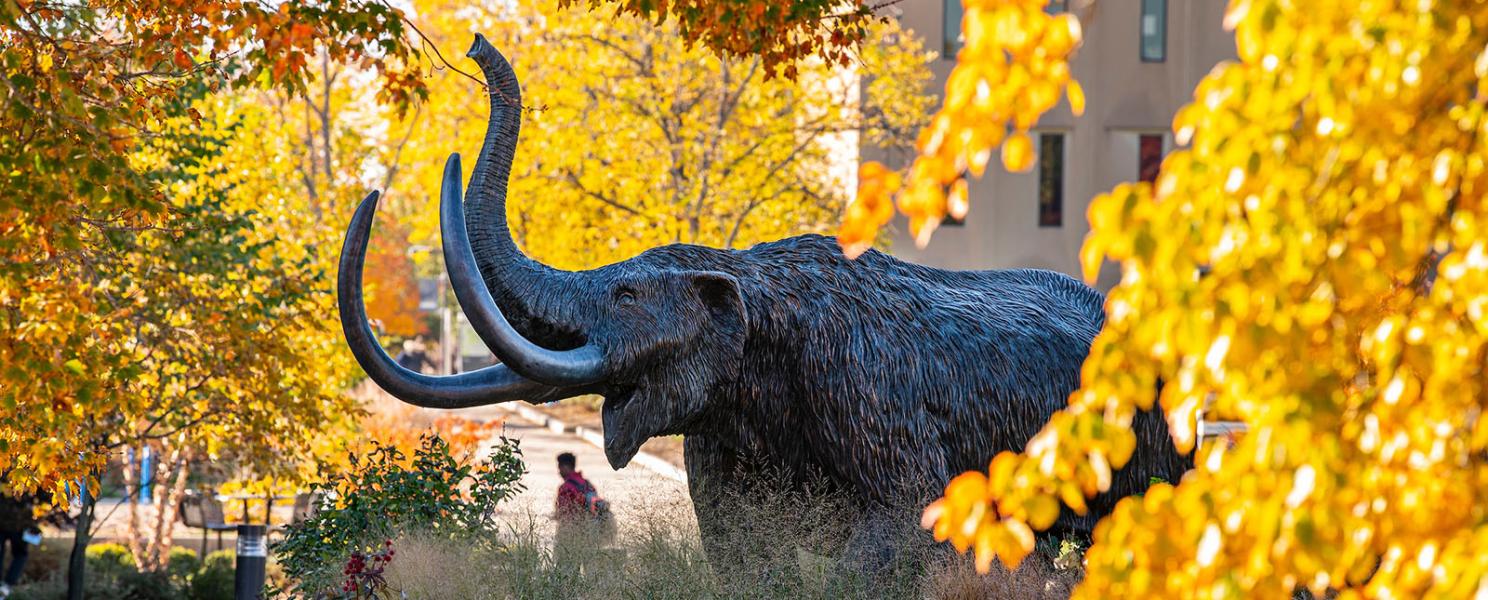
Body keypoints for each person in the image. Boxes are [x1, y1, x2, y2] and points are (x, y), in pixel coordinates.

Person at [553, 453, 613, 568]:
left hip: (571, 536)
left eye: (559, 468)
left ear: (565, 467)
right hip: (590, 534)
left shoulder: (565, 488)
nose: (559, 472)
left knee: (566, 572)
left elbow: (564, 515)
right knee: (590, 571)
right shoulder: (587, 484)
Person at [0, 475, 36, 598]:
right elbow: (41, 497)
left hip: (10, 521)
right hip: (20, 523)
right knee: (21, 554)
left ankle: (5, 585)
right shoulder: (30, 469)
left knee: (16, 553)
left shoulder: (4, 465)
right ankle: (7, 585)